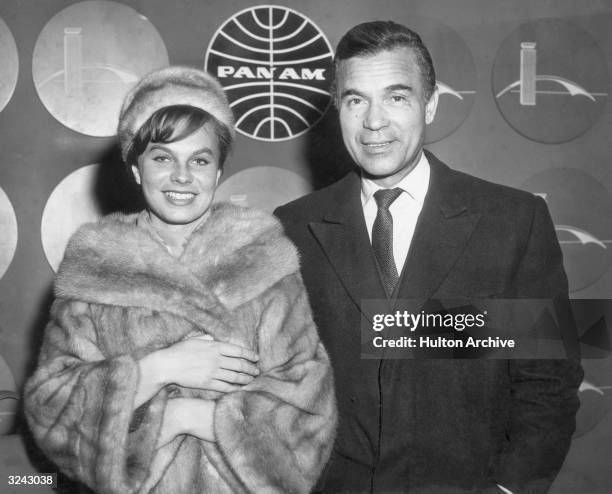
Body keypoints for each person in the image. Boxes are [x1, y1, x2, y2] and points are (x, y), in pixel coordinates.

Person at [275, 21, 582, 493]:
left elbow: (547, 385)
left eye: (397, 97)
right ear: (338, 109)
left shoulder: (511, 222)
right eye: (356, 100)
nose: (373, 121)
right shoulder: (294, 226)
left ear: (431, 104)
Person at [24, 66, 336, 494]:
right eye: (163, 158)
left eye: (200, 160)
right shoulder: (96, 264)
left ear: (219, 171)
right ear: (136, 168)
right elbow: (51, 412)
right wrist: (158, 369)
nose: (182, 176)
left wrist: (191, 416)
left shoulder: (262, 258)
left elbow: (311, 410)